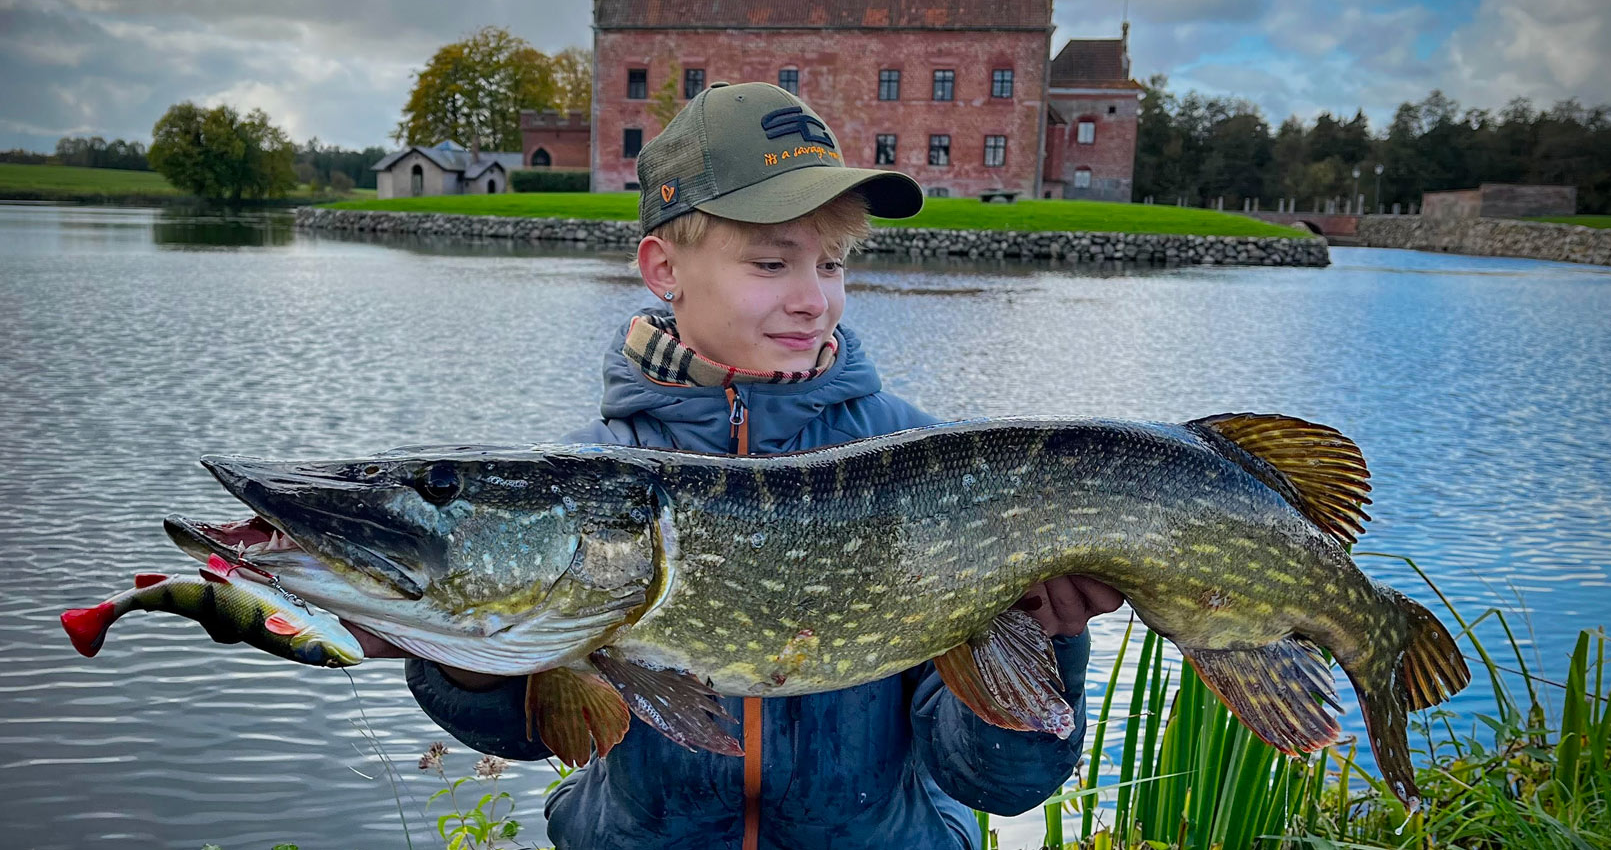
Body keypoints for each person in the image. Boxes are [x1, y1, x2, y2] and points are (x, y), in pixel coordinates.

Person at [353, 82, 1124, 849]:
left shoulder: (941, 473)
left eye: (831, 264)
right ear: (664, 268)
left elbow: (994, 781)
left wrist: (1051, 637)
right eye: (770, 263)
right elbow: (536, 732)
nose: (813, 300)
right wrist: (470, 662)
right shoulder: (594, 477)